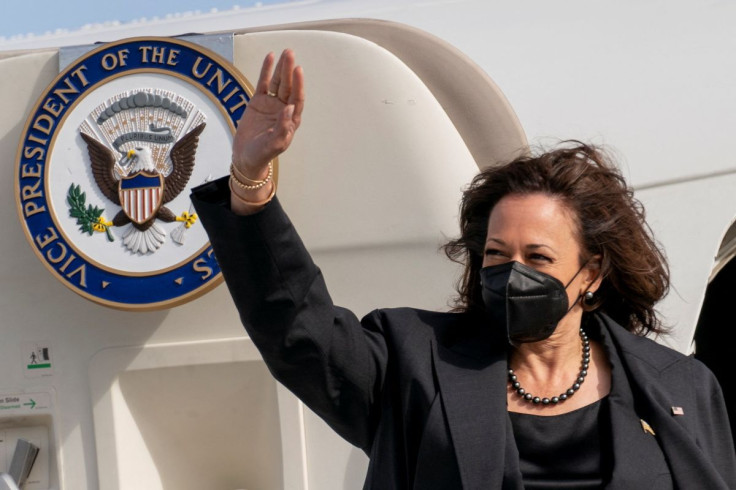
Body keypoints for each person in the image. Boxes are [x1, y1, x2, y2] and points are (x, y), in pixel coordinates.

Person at [191, 49, 736, 489]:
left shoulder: (680, 384)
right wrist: (249, 182)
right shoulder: (412, 361)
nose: (513, 272)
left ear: (592, 272)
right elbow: (297, 331)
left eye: (539, 258)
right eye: (496, 255)